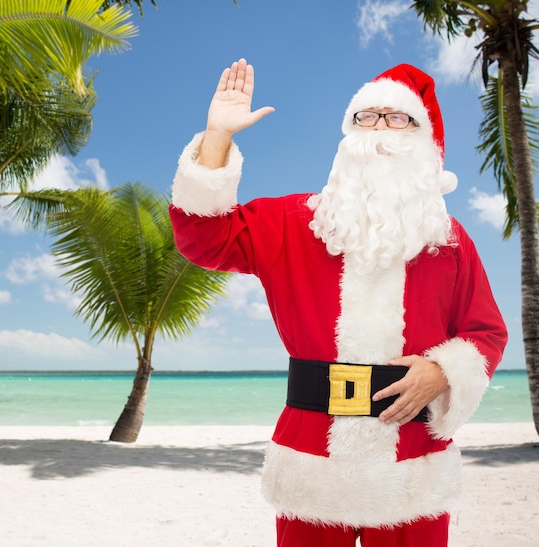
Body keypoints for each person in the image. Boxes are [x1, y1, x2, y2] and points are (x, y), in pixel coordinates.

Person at [168, 59, 508, 547]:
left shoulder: (451, 242)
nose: (380, 131)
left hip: (412, 464)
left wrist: (443, 372)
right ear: (348, 133)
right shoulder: (290, 221)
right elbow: (203, 238)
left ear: (425, 141)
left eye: (398, 118)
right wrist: (217, 136)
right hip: (313, 462)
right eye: (367, 117)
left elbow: (486, 332)